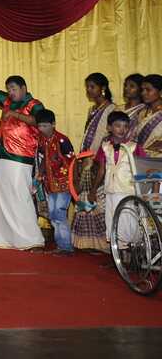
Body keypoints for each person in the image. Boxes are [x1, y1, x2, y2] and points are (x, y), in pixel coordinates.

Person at [0, 51, 45, 251]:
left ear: (23, 88)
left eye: (13, 88)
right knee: (1, 198)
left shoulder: (34, 104)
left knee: (20, 197)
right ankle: (4, 237)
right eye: (8, 89)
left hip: (20, 158)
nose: (10, 92)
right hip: (0, 155)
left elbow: (39, 122)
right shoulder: (6, 101)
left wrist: (15, 114)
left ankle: (32, 239)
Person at [72, 72, 115, 252]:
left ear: (102, 88)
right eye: (87, 87)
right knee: (85, 198)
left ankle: (104, 244)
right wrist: (82, 158)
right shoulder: (92, 110)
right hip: (86, 159)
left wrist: (96, 158)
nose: (89, 90)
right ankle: (88, 243)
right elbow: (87, 135)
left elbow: (106, 135)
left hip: (99, 159)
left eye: (92, 87)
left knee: (97, 199)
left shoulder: (111, 109)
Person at [95, 111, 147, 245]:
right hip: (110, 190)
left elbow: (143, 167)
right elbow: (101, 170)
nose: (122, 129)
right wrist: (93, 190)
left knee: (128, 219)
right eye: (118, 126)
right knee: (112, 219)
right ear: (109, 127)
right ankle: (118, 249)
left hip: (127, 190)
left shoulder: (134, 147)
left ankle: (130, 248)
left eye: (125, 126)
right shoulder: (105, 147)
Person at [34, 109, 75, 255]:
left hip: (64, 184)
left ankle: (66, 247)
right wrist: (39, 175)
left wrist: (74, 183)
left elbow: (73, 161)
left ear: (53, 124)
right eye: (39, 126)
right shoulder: (42, 140)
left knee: (59, 214)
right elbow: (44, 159)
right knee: (52, 214)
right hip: (50, 185)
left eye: (45, 126)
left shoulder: (62, 140)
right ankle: (61, 245)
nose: (42, 129)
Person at [132, 74, 162, 157]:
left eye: (148, 90)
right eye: (142, 90)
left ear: (160, 92)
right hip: (141, 159)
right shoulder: (142, 112)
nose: (143, 93)